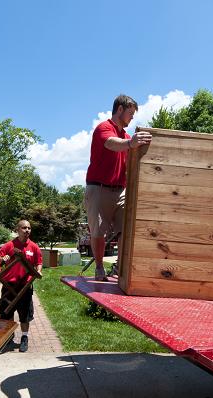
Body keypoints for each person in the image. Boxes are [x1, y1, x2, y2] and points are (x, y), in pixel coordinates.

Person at [84, 94, 152, 281]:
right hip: (98, 188)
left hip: (120, 190)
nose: (131, 118)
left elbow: (132, 161)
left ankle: (119, 266)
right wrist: (130, 144)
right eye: (130, 113)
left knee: (127, 228)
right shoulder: (104, 128)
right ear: (120, 109)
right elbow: (111, 144)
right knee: (98, 232)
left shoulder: (127, 136)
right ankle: (99, 268)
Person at [0, 220, 42, 352]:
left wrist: (39, 271)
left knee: (25, 315)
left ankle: (24, 337)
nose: (27, 230)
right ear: (18, 229)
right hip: (9, 285)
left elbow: (39, 262)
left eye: (29, 228)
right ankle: (9, 337)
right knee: (7, 313)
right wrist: (2, 259)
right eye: (24, 228)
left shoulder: (34, 247)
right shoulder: (9, 245)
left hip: (25, 287)